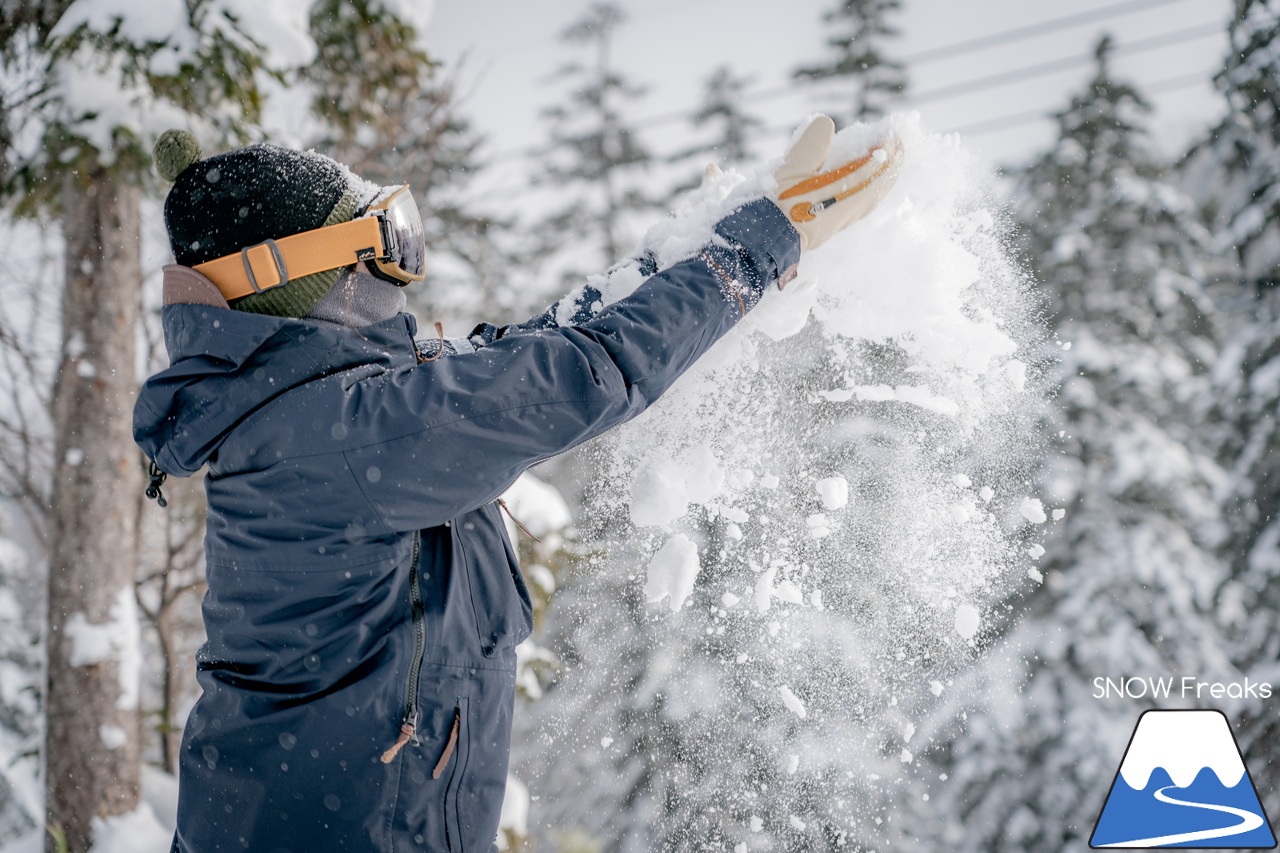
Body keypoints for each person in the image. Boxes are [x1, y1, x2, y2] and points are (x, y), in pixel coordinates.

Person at [134, 115, 900, 853]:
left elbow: (539, 346)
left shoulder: (323, 417)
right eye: (384, 249)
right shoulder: (348, 432)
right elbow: (576, 373)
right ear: (302, 278)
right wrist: (753, 251)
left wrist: (717, 235)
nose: (401, 272)